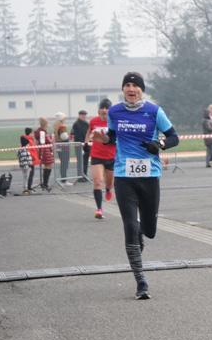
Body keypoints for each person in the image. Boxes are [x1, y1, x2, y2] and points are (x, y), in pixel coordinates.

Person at [94, 72, 179, 300]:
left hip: (150, 175)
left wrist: (158, 143)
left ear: (142, 89)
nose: (131, 89)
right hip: (124, 175)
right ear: (123, 89)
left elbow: (174, 137)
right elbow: (112, 136)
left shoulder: (154, 111)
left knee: (148, 231)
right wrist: (101, 138)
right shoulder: (114, 112)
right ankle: (141, 281)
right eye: (127, 85)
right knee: (130, 225)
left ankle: (142, 232)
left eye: (135, 86)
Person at [88, 99, 115, 219]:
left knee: (109, 183)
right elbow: (89, 132)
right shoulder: (93, 121)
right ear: (99, 110)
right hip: (96, 155)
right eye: (102, 108)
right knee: (97, 181)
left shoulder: (114, 122)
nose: (104, 110)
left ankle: (108, 189)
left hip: (111, 156)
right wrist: (86, 142)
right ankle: (99, 209)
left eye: (106, 108)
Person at [52, 112, 73, 186]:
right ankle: (64, 181)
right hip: (64, 147)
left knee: (62, 164)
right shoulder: (62, 127)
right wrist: (70, 136)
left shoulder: (56, 127)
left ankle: (63, 179)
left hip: (58, 146)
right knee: (65, 164)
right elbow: (64, 137)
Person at [34, 117, 54, 192]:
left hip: (44, 151)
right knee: (48, 167)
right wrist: (52, 136)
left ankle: (45, 183)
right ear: (45, 124)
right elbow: (49, 142)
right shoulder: (43, 132)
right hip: (46, 152)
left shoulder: (40, 132)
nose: (48, 125)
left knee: (48, 167)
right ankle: (45, 183)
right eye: (47, 123)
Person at [71, 110, 91, 182]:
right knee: (80, 161)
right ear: (79, 116)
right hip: (79, 145)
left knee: (85, 161)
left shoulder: (86, 124)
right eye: (83, 115)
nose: (84, 116)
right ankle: (80, 175)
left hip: (87, 145)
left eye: (85, 115)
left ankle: (84, 174)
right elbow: (78, 136)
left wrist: (88, 142)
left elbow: (89, 133)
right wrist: (82, 144)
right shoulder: (76, 124)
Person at [17, 128, 37, 195]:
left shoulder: (30, 140)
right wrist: (33, 159)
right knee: (29, 176)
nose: (33, 134)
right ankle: (28, 188)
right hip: (29, 162)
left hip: (30, 161)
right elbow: (30, 153)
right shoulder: (29, 141)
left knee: (29, 176)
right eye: (32, 133)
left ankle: (28, 187)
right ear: (29, 133)